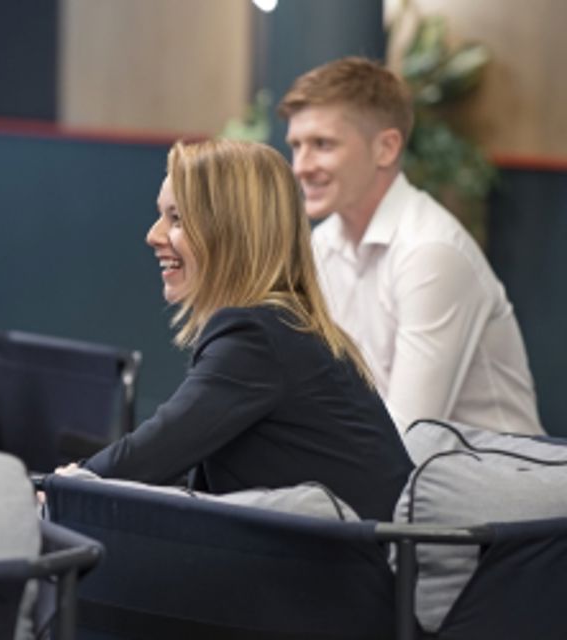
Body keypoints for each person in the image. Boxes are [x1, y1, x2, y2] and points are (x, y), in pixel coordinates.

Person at [71, 139, 412, 521]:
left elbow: (156, 451)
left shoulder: (257, 336)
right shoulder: (284, 325)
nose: (154, 234)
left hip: (338, 572)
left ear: (230, 231)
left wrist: (65, 485)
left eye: (177, 218)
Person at [279, 56, 542, 435]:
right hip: (407, 476)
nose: (301, 166)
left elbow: (408, 435)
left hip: (494, 482)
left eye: (322, 144)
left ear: (386, 148)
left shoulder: (430, 251)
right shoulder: (322, 244)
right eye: (296, 145)